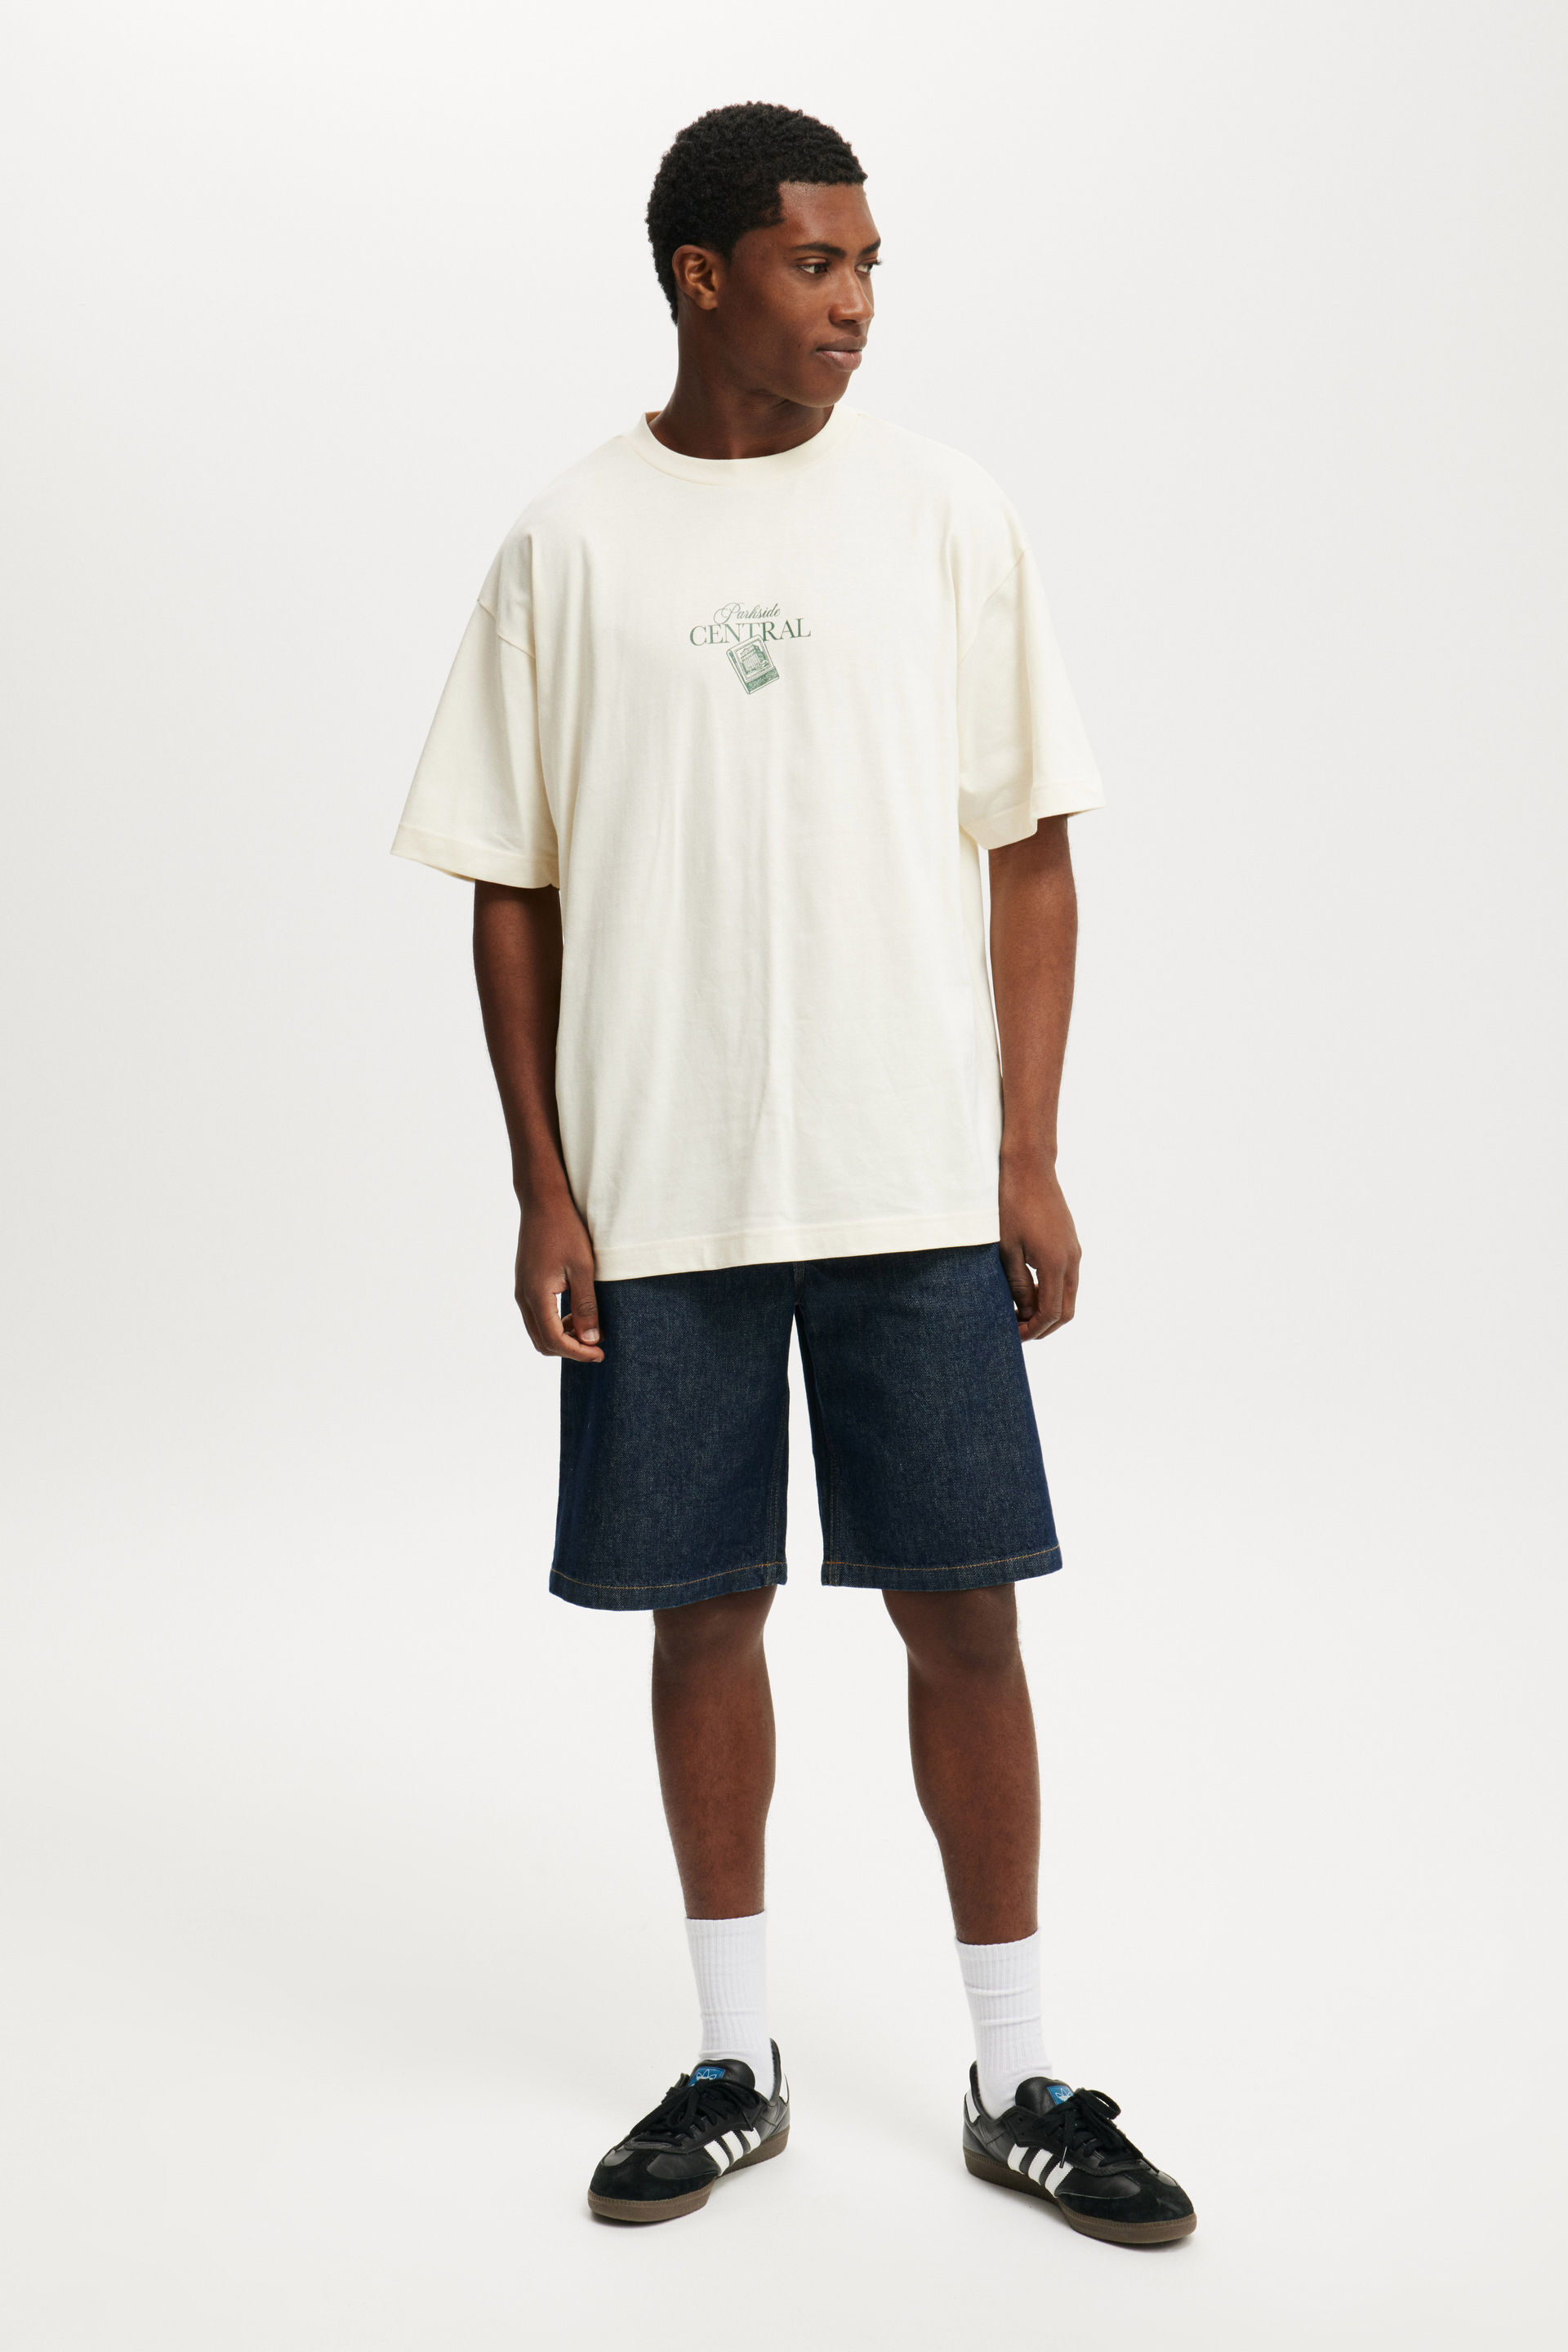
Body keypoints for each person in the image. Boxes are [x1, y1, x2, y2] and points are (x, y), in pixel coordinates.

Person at [393, 100, 1195, 2247]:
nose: (855, 307)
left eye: (869, 270)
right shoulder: (570, 542)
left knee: (967, 1616)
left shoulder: (944, 512)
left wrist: (1027, 1152)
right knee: (701, 1616)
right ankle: (731, 2063)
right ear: (704, 275)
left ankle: (1020, 2076)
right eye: (818, 265)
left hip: (911, 1182)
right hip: (663, 1192)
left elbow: (1033, 848)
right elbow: (509, 886)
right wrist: (545, 1187)